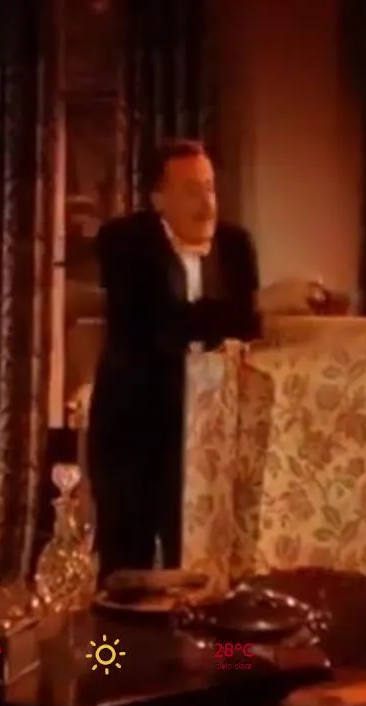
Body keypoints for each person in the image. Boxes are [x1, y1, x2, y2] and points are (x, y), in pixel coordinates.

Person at [86, 139, 322, 580]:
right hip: (132, 432)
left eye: (211, 188)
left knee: (200, 574)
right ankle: (114, 629)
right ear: (159, 198)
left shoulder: (235, 246)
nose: (207, 203)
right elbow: (161, 325)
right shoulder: (123, 242)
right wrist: (258, 303)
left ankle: (192, 631)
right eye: (192, 191)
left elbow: (244, 332)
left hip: (208, 437)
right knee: (124, 575)